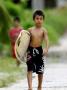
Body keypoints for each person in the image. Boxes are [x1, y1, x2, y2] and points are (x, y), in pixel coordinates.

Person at [26, 10, 48, 90]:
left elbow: (46, 40)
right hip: (30, 50)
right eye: (37, 18)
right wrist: (24, 51)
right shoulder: (30, 30)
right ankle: (30, 87)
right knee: (29, 68)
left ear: (43, 20)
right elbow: (25, 41)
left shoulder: (43, 30)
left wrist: (46, 48)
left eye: (41, 18)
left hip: (39, 51)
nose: (39, 20)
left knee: (40, 69)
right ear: (34, 19)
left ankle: (39, 86)